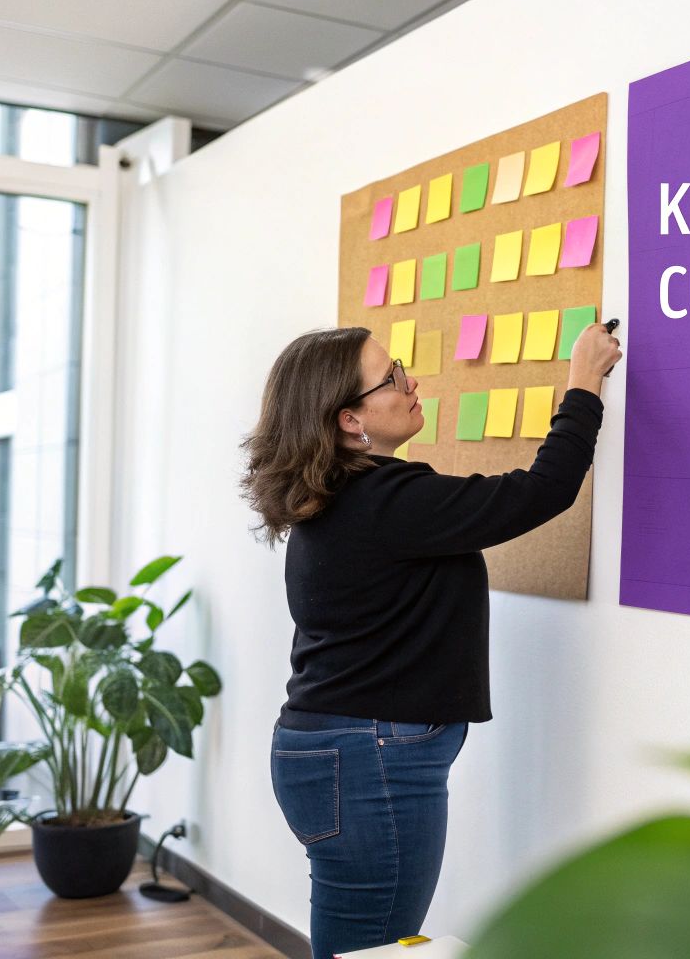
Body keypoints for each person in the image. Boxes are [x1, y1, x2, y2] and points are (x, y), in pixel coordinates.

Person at [241, 322, 621, 959]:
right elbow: (542, 490)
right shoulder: (386, 500)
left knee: (358, 944)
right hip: (371, 758)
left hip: (334, 751)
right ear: (348, 420)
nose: (410, 381)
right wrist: (584, 380)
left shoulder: (338, 501)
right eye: (391, 377)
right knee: (377, 949)